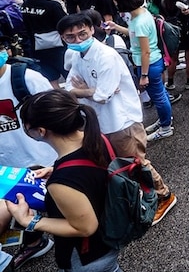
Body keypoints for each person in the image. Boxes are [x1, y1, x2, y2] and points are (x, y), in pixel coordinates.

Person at [58, 13, 177, 225]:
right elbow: (69, 87)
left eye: (82, 34)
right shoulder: (77, 56)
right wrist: (86, 90)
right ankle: (140, 196)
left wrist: (82, 90)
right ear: (62, 38)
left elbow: (103, 96)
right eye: (70, 37)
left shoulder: (106, 56)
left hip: (122, 121)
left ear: (92, 30)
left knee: (137, 162)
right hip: (100, 122)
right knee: (118, 163)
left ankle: (163, 196)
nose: (77, 40)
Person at [8, 90, 121, 272]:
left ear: (41, 131)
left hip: (88, 257)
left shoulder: (62, 182)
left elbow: (86, 227)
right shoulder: (96, 139)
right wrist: (57, 170)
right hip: (110, 234)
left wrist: (30, 221)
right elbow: (94, 173)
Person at [0, 36, 56, 270]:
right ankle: (35, 241)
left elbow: (59, 114)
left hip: (43, 160)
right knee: (18, 207)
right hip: (8, 162)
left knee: (58, 207)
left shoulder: (26, 79)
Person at [110, 0, 175, 141]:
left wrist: (144, 75)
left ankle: (166, 127)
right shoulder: (140, 14)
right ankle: (165, 120)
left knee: (158, 97)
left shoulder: (139, 22)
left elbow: (145, 51)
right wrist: (116, 27)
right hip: (152, 61)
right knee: (161, 94)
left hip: (149, 64)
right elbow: (134, 36)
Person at [20, 0, 67, 84]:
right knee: (72, 78)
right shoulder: (53, 5)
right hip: (58, 48)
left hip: (36, 48)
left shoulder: (25, 4)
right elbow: (65, 24)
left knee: (51, 81)